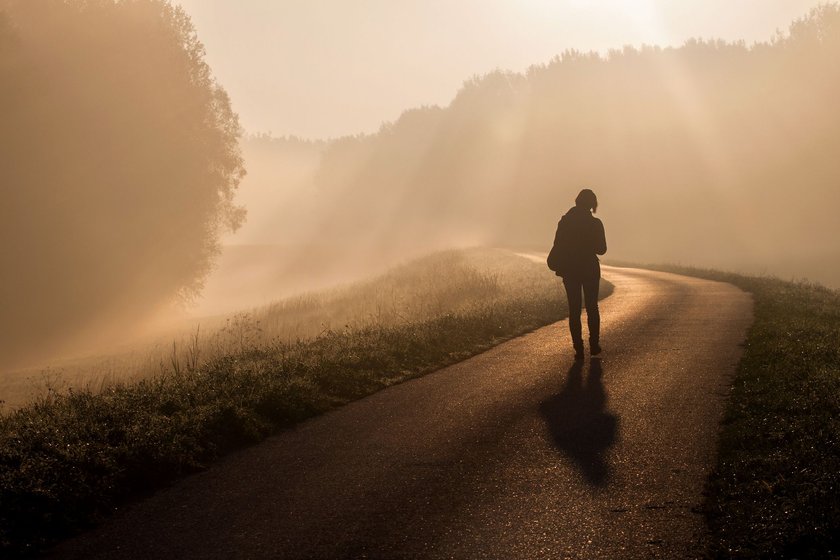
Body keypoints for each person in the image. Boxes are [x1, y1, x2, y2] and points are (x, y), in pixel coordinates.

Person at [552, 189, 607, 360]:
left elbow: (557, 245)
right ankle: (594, 344)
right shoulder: (595, 224)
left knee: (574, 309)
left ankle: (578, 348)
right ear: (592, 204)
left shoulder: (565, 222)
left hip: (570, 269)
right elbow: (602, 249)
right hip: (590, 268)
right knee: (592, 307)